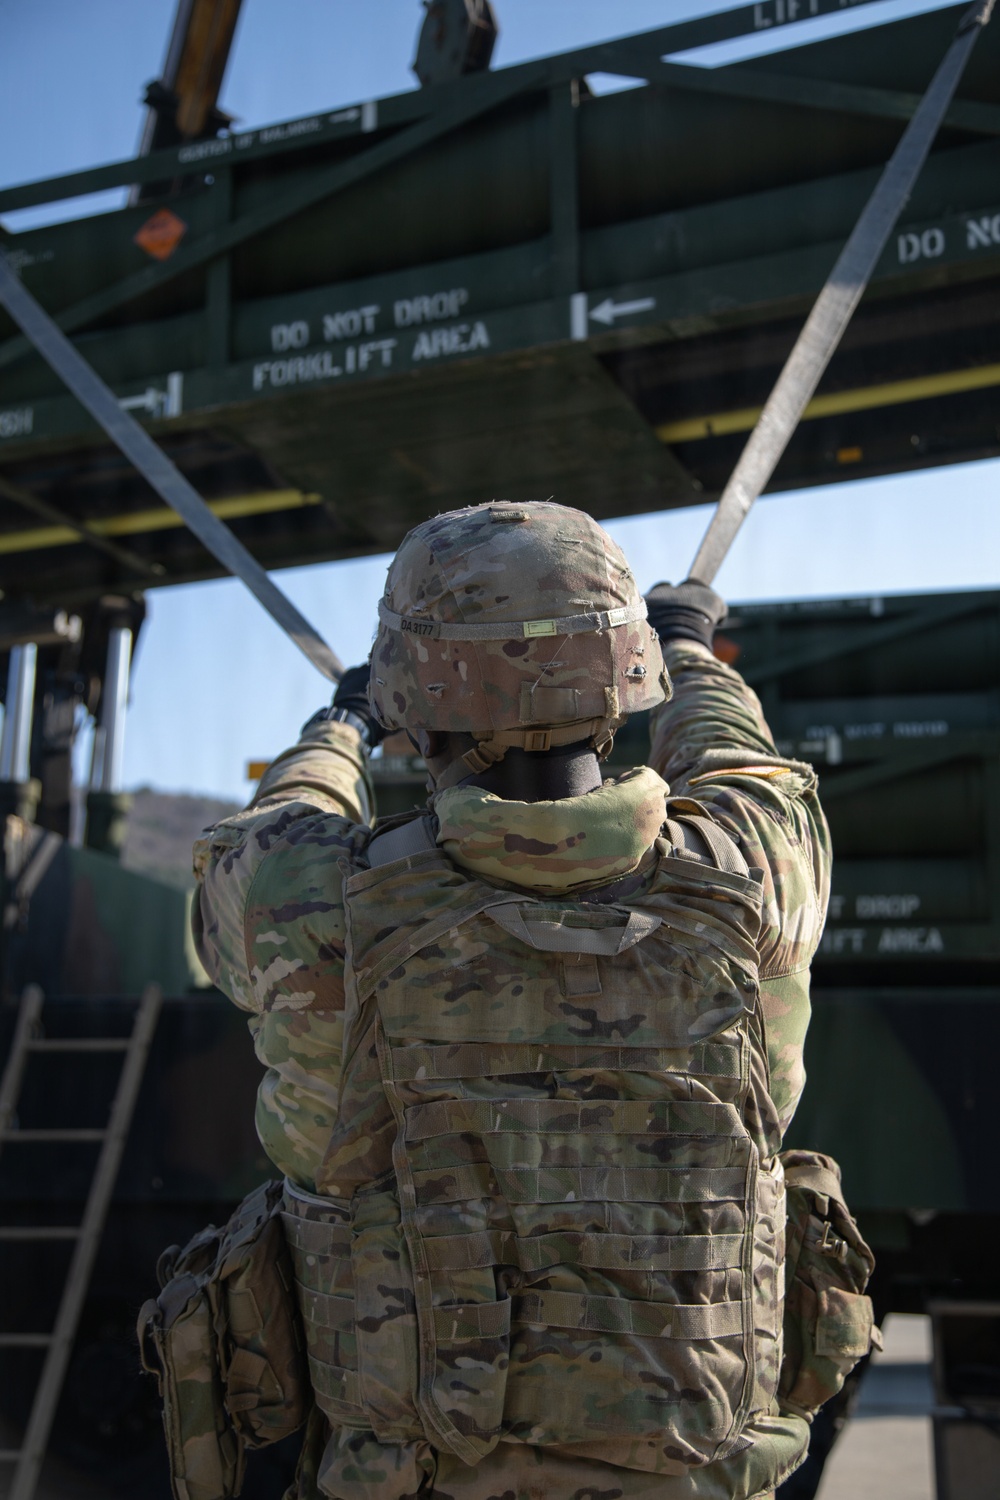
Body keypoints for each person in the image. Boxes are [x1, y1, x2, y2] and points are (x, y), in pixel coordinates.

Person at [192, 499, 853, 1500]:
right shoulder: (756, 870)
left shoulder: (313, 902)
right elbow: (742, 767)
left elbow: (278, 826)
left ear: (418, 689)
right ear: (627, 671)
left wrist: (340, 725)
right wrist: (693, 654)